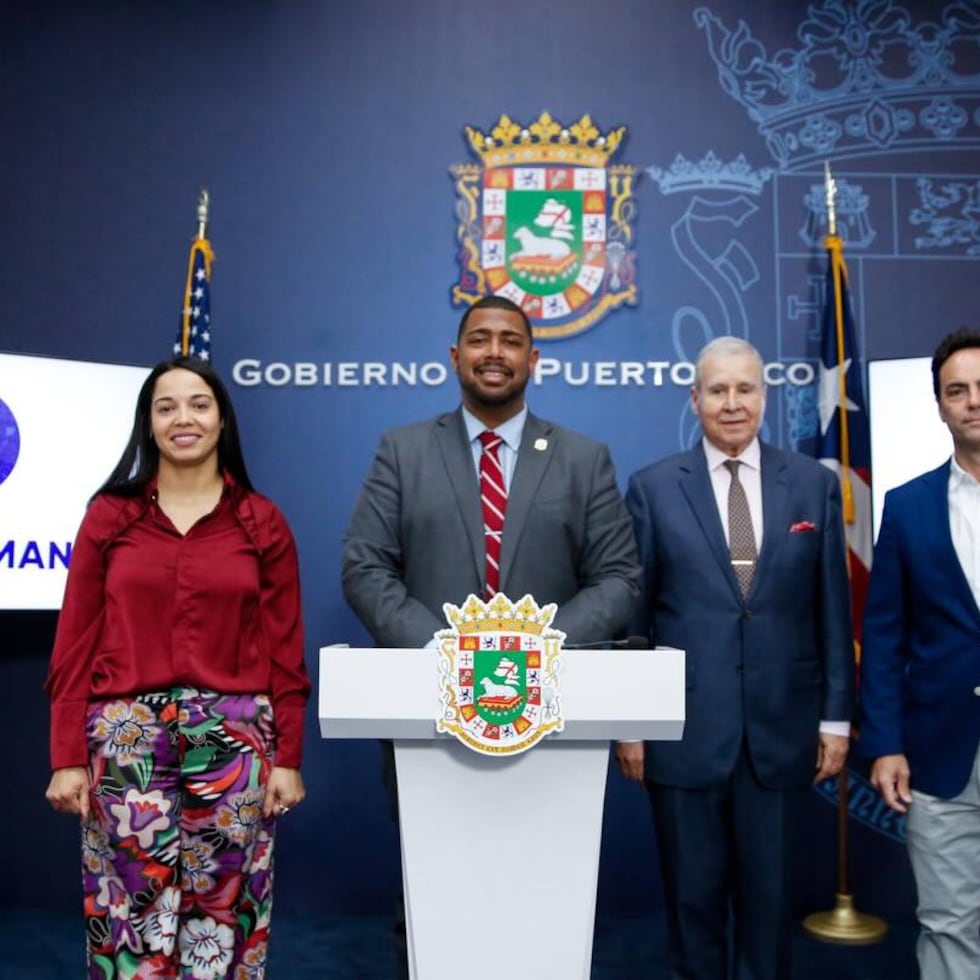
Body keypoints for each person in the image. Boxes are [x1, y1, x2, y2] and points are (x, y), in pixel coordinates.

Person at [342, 294, 641, 975]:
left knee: (541, 894)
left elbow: (620, 580)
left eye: (510, 340)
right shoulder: (403, 450)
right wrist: (453, 656)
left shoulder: (583, 458)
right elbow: (364, 566)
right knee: (431, 890)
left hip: (553, 717)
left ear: (534, 359)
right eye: (480, 339)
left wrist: (528, 655)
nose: (495, 352)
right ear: (455, 357)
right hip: (429, 710)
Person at [44, 355, 311, 979]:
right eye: (166, 407)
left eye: (198, 404)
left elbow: (285, 648)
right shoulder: (110, 517)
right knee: (129, 912)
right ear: (148, 424)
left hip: (236, 740)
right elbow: (76, 640)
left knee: (222, 913)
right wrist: (63, 755)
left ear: (222, 420)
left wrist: (290, 757)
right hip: (125, 738)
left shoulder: (261, 521)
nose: (182, 418)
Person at [617, 335, 853, 980]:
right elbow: (635, 618)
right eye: (717, 390)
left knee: (769, 904)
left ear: (764, 397)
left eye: (744, 389)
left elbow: (832, 608)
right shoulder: (654, 487)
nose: (731, 403)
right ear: (695, 399)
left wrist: (835, 719)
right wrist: (631, 723)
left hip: (782, 731)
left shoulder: (811, 485)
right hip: (685, 736)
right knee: (691, 902)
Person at [860, 327, 980, 979]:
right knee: (947, 921)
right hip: (941, 753)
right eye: (956, 390)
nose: (972, 401)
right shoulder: (907, 508)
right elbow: (884, 635)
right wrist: (885, 742)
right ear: (938, 406)